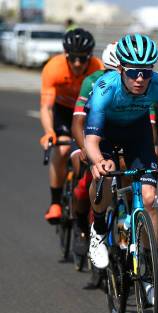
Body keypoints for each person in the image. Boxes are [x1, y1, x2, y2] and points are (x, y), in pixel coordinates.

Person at [85, 34, 158, 305]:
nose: (140, 79)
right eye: (133, 72)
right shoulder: (104, 87)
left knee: (147, 198)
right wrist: (98, 161)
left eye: (145, 72)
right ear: (121, 69)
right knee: (104, 178)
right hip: (105, 133)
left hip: (138, 134)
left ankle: (148, 270)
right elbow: (91, 140)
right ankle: (97, 230)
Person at [39, 28, 103, 224]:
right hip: (63, 111)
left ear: (89, 57)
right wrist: (50, 131)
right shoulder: (53, 68)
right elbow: (46, 107)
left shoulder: (97, 67)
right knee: (64, 147)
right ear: (66, 54)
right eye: (73, 58)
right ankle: (55, 202)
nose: (77, 63)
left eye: (83, 59)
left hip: (85, 112)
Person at [69, 42, 121, 256]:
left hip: (119, 135)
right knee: (87, 181)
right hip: (91, 134)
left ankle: (126, 230)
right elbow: (78, 122)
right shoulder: (91, 81)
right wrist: (83, 148)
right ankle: (81, 227)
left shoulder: (138, 84)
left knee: (128, 175)